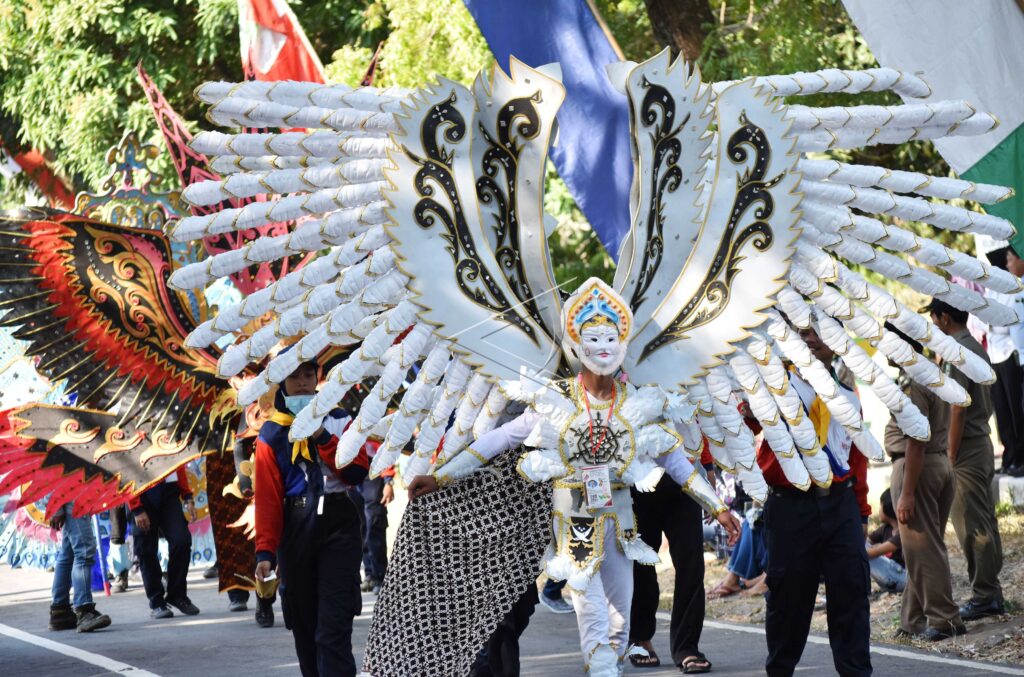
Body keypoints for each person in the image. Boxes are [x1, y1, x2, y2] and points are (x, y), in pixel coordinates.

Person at [405, 278, 740, 676]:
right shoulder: (557, 399)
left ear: (623, 346)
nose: (603, 344)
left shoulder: (636, 402)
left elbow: (678, 463)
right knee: (594, 619)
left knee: (619, 628)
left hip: (621, 527)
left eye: (611, 337)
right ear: (577, 346)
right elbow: (499, 438)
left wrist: (718, 508)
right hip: (575, 530)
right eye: (592, 336)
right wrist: (441, 476)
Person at [752, 323, 872, 677]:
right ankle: (780, 670)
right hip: (791, 505)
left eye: (819, 332)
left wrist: (862, 512)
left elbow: (857, 457)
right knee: (788, 599)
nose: (811, 339)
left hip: (840, 504)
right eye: (802, 332)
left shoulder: (847, 394)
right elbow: (741, 425)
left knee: (851, 591)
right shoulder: (773, 389)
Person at [254, 357, 369, 677]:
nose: (303, 382)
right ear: (282, 382)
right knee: (304, 628)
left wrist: (320, 434)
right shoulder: (271, 432)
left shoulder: (339, 418)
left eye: (309, 374)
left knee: (332, 629)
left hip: (338, 521)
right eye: (295, 376)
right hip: (295, 527)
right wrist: (264, 552)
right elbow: (267, 499)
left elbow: (356, 472)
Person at [927, 298, 1005, 621]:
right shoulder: (971, 345)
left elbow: (957, 407)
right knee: (984, 518)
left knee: (972, 526)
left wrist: (950, 454)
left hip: (966, 449)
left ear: (945, 318)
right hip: (980, 443)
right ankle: (990, 592)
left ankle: (985, 595)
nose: (932, 325)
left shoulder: (960, 351)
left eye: (933, 318)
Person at [627, 443, 718, 673]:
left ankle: (687, 647)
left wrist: (707, 466)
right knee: (642, 564)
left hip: (684, 477)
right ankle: (640, 638)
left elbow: (697, 415)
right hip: (637, 477)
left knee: (691, 564)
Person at [972, 246, 1024, 475]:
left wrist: (992, 322)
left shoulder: (1013, 290)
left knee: (1016, 409)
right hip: (994, 355)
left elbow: (1008, 321)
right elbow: (980, 321)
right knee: (1001, 410)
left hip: (1010, 354)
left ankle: (1020, 457)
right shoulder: (991, 292)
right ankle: (1009, 455)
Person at [129, 465, 199, 619]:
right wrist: (136, 508)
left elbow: (177, 460)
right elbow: (122, 468)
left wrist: (187, 496)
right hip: (140, 491)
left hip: (168, 489)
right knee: (146, 550)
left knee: (182, 540)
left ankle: (177, 594)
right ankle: (156, 601)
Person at [48, 503, 111, 632]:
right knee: (84, 552)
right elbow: (48, 482)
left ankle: (60, 611)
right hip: (73, 502)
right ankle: (84, 611)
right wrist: (55, 507)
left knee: (68, 553)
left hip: (75, 499)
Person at [355, 439, 394, 593]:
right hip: (353, 468)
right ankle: (369, 573)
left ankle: (380, 576)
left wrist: (388, 480)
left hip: (375, 467)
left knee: (374, 524)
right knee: (360, 526)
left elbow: (386, 441)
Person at [865, 489, 906, 594]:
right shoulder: (885, 529)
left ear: (888, 507)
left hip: (902, 578)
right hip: (889, 577)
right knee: (860, 544)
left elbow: (874, 552)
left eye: (880, 505)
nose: (878, 510)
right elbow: (866, 541)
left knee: (861, 551)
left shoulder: (903, 533)